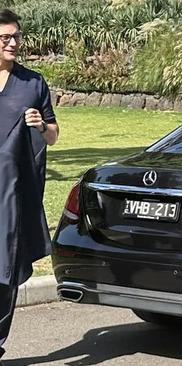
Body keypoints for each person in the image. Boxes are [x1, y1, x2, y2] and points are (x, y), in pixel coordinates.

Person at [0, 8, 59, 358]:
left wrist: (40, 125)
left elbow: (53, 136)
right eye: (5, 38)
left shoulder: (32, 83)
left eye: (16, 36)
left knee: (5, 269)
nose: (13, 43)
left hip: (11, 192)